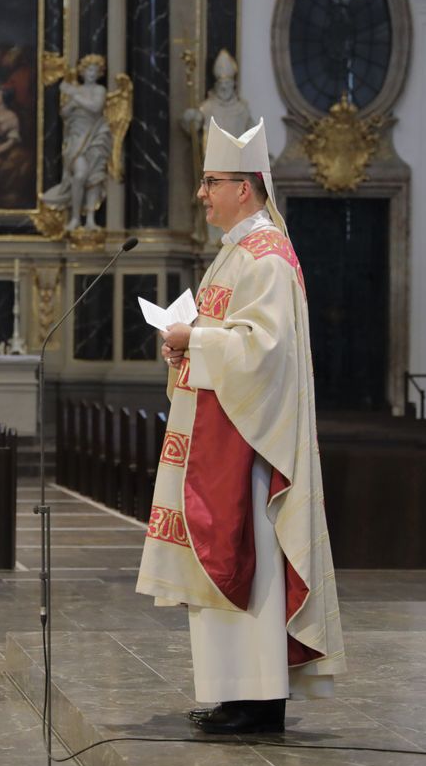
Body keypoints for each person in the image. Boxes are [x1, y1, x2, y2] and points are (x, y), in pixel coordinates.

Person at [135, 118, 345, 734]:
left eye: (211, 182)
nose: (201, 194)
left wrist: (194, 339)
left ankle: (260, 699)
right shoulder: (234, 255)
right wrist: (187, 348)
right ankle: (234, 694)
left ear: (246, 189)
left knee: (247, 559)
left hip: (251, 451)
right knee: (219, 565)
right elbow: (230, 340)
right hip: (222, 436)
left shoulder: (269, 259)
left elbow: (263, 351)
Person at [41, 55, 111, 231]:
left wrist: (74, 94)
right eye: (88, 70)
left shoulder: (99, 90)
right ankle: (75, 217)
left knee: (94, 176)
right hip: (76, 138)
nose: (91, 74)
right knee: (80, 175)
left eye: (95, 70)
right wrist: (72, 99)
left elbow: (96, 107)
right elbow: (64, 113)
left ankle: (91, 219)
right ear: (82, 71)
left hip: (96, 135)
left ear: (100, 73)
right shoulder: (77, 90)